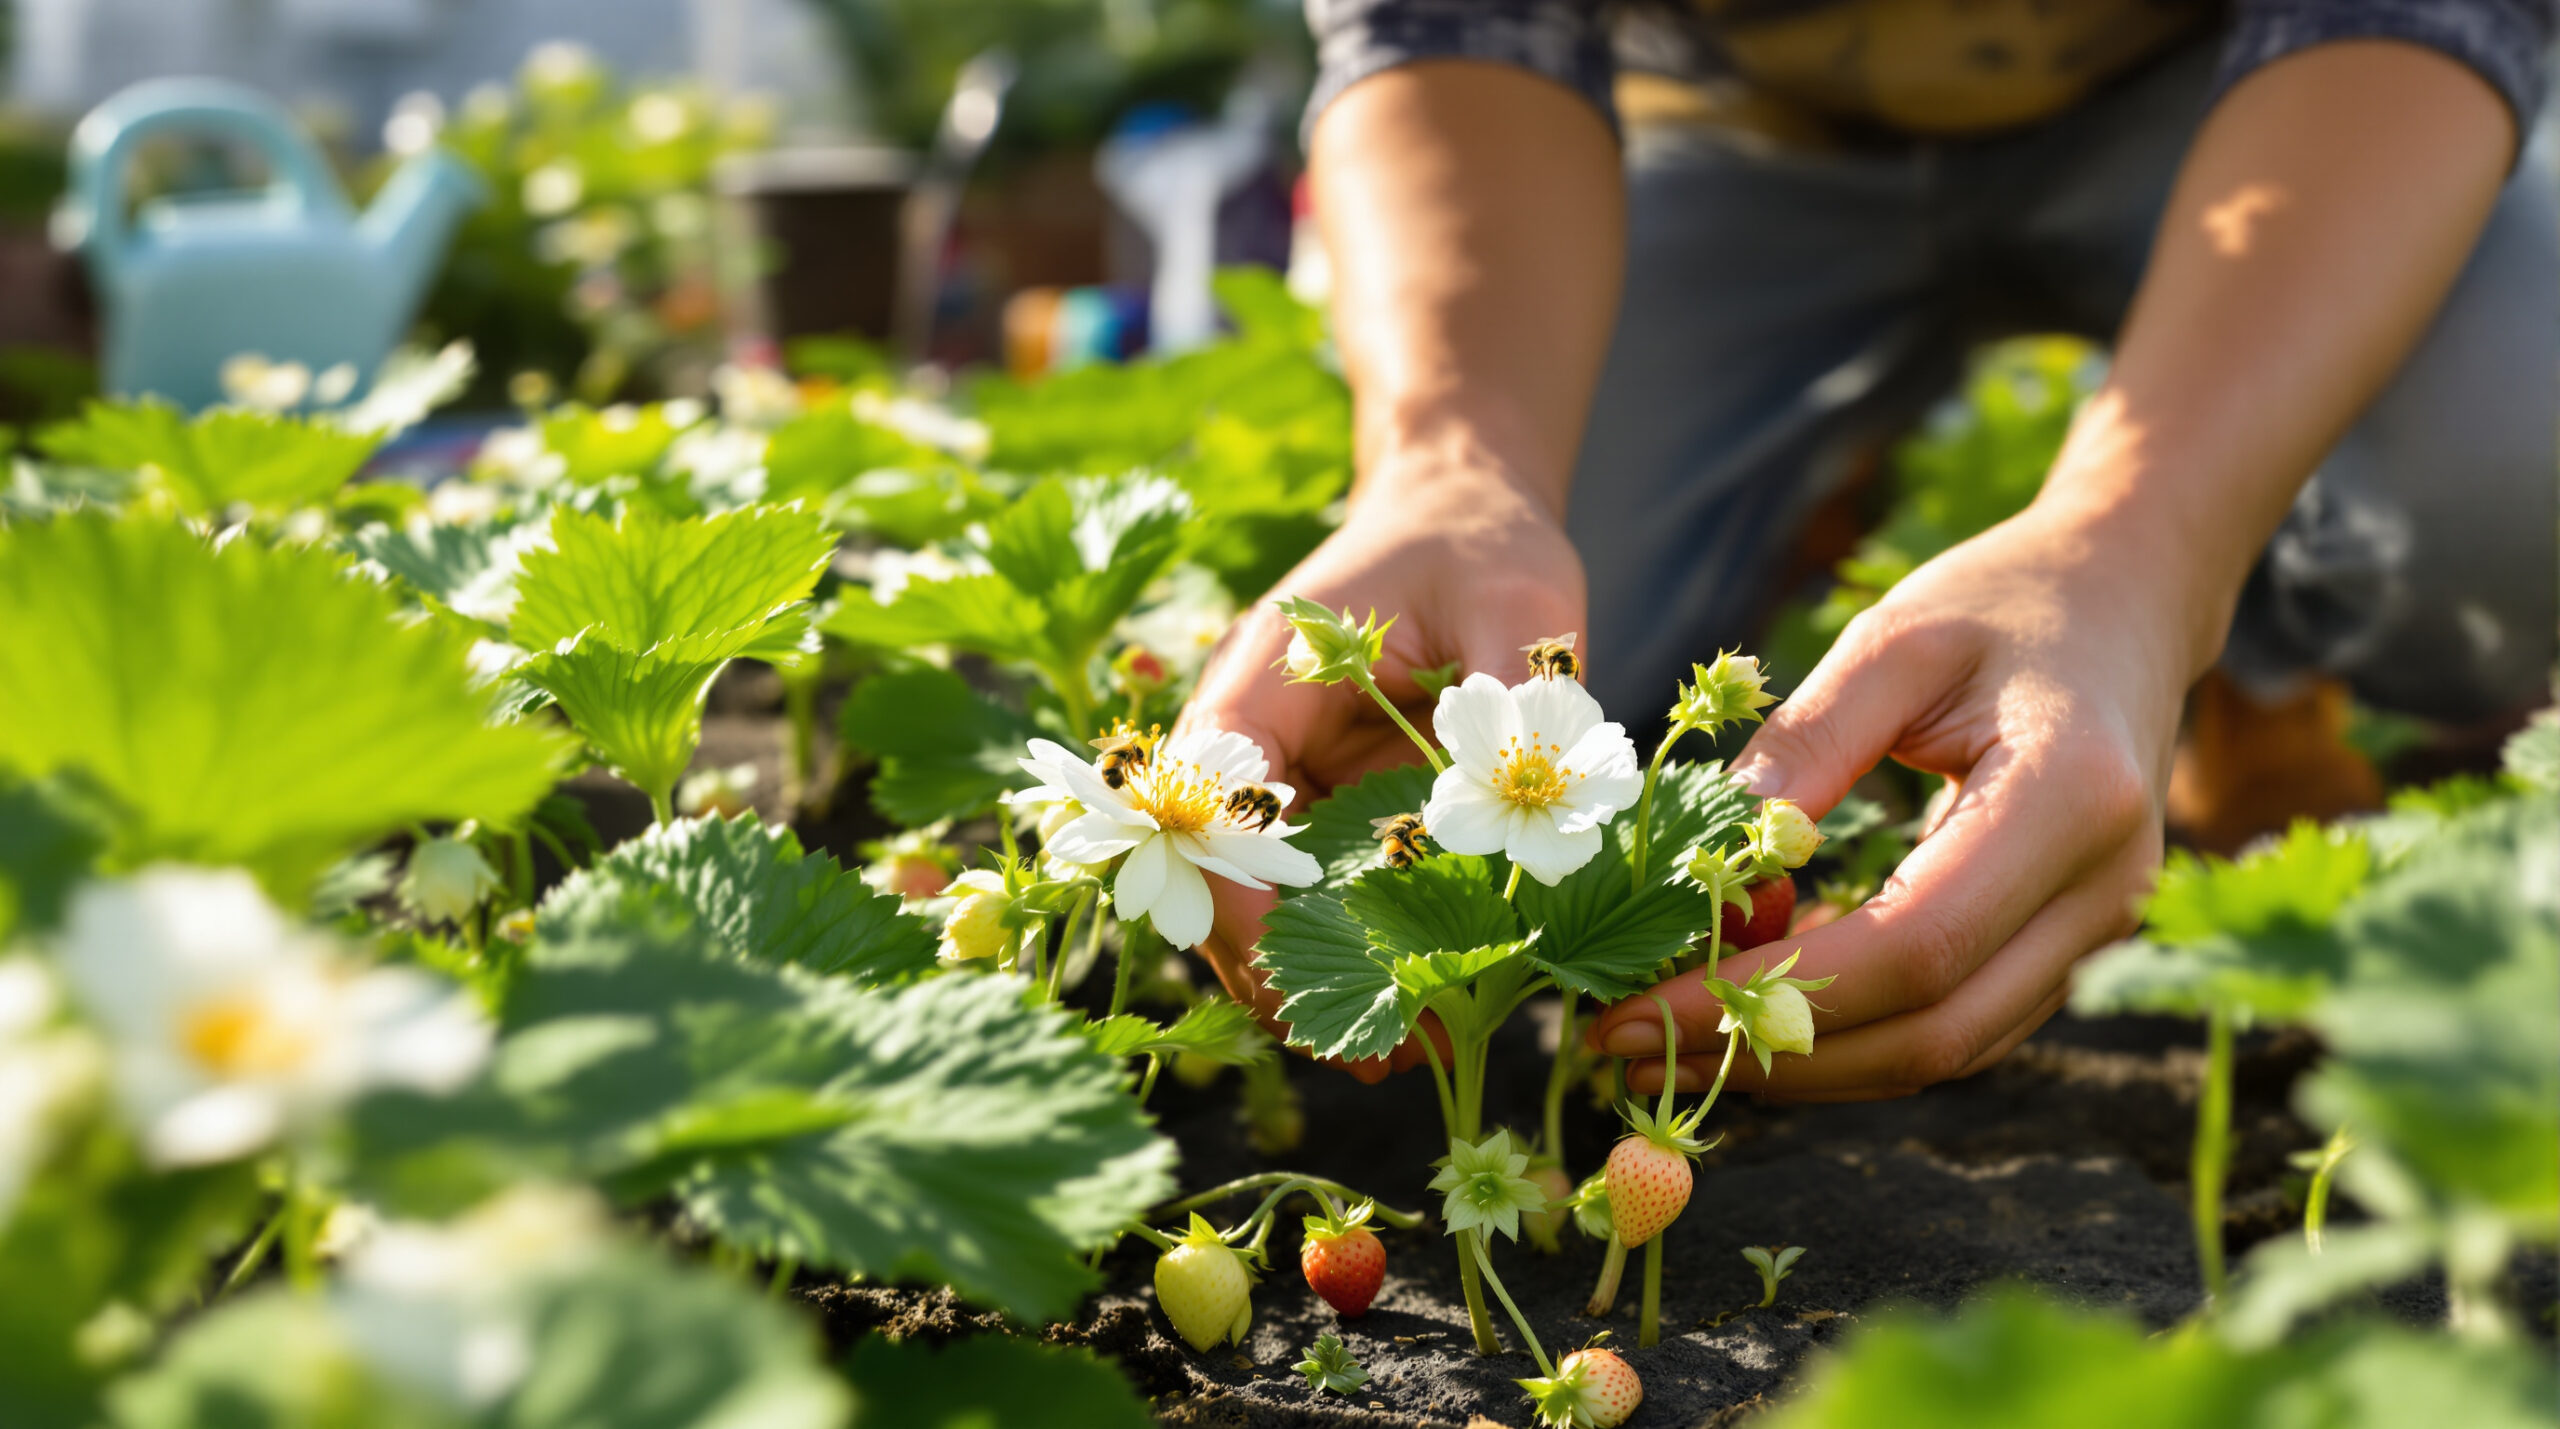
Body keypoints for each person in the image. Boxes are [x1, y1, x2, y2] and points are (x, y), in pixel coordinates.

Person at [1177, 0, 2560, 1101]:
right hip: (1730, 127)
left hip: (2241, 96)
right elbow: (1448, 26)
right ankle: (1801, 505)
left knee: (2517, 463)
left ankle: (2242, 663)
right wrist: (1448, 467)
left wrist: (2144, 556)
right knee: (1519, 632)